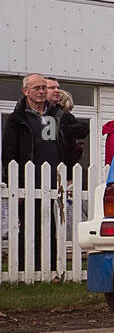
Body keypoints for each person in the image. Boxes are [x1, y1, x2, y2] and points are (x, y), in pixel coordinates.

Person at [2, 73, 76, 271]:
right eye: (37, 88)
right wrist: (13, 182)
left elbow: (68, 145)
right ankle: (26, 267)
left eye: (44, 87)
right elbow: (8, 154)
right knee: (28, 227)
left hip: (55, 181)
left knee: (53, 226)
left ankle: (51, 267)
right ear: (25, 91)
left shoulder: (58, 116)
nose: (42, 92)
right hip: (28, 183)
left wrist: (68, 174)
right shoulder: (16, 119)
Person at [45, 77, 90, 165]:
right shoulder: (28, 114)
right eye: (52, 88)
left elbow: (83, 128)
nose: (57, 90)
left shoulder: (62, 116)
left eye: (58, 88)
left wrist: (65, 130)